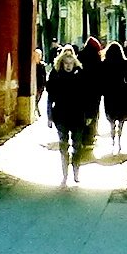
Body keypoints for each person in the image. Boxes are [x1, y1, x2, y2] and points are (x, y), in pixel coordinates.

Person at [44, 47, 97, 186]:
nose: (68, 66)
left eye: (70, 63)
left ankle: (76, 170)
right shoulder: (55, 75)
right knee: (63, 144)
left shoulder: (81, 75)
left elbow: (88, 97)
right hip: (61, 114)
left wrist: (90, 114)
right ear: (62, 63)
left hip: (78, 114)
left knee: (77, 145)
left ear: (74, 63)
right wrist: (49, 116)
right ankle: (65, 173)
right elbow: (50, 98)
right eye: (65, 63)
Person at [99, 42, 127, 154]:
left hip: (109, 93)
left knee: (111, 117)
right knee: (121, 118)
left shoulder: (105, 63)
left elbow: (102, 79)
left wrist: (101, 92)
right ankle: (119, 138)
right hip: (122, 93)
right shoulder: (124, 63)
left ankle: (112, 135)